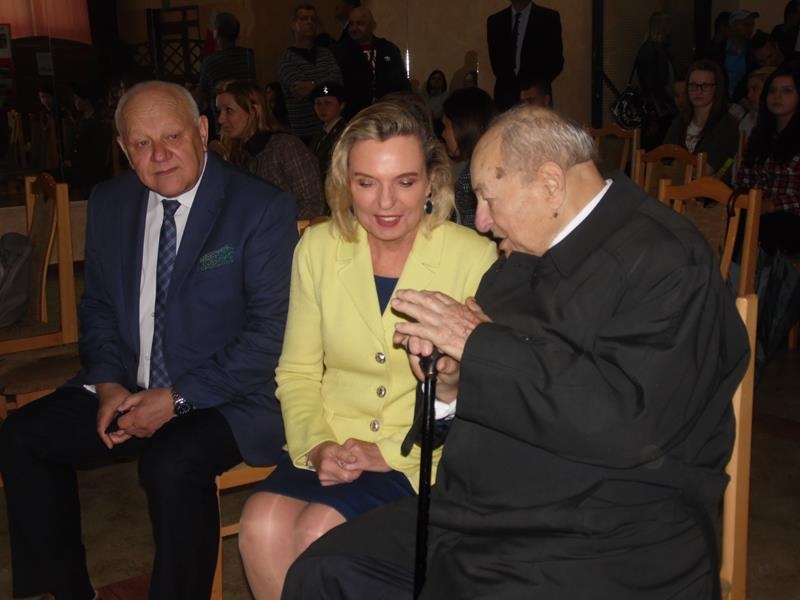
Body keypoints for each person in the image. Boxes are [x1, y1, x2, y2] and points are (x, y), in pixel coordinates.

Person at [282, 105, 751, 600]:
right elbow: (498, 387)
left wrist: (478, 344)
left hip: (603, 529)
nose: (482, 221)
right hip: (483, 510)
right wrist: (449, 386)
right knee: (324, 570)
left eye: (488, 197)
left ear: (550, 184)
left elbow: (631, 426)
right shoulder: (520, 258)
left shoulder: (666, 262)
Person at [0, 81, 297, 600]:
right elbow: (97, 306)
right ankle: (66, 591)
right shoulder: (112, 202)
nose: (159, 155)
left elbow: (269, 336)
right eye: (141, 143)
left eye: (173, 136)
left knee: (170, 463)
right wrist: (108, 384)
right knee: (23, 436)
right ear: (123, 148)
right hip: (129, 384)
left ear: (202, 131)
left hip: (228, 396)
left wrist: (176, 399)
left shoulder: (259, 207)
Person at [236, 99, 498, 600]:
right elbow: (296, 372)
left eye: (405, 181)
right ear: (344, 183)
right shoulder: (317, 249)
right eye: (366, 182)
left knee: (320, 531)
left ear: (431, 182)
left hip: (422, 457)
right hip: (330, 440)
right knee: (260, 523)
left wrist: (390, 452)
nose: (386, 203)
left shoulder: (473, 258)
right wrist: (317, 445)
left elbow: (482, 392)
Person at [216, 79, 326, 219]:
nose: (220, 119)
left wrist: (274, 227)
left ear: (254, 110)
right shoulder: (235, 155)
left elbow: (314, 205)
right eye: (219, 111)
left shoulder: (286, 147)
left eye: (229, 110)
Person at [735, 62, 800, 255]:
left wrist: (771, 205)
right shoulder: (760, 133)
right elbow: (744, 179)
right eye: (772, 91)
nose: (777, 97)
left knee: (766, 225)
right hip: (758, 209)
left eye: (786, 91)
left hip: (790, 215)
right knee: (725, 214)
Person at [664, 59, 740, 182]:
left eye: (705, 86)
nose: (698, 91)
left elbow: (704, 171)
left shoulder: (728, 125)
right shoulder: (679, 121)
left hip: (710, 191)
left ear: (717, 89)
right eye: (693, 86)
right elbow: (664, 159)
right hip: (674, 186)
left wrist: (677, 166)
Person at [278, 4, 343, 142]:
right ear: (294, 25)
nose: (309, 22)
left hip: (332, 129)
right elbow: (301, 90)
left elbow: (337, 82)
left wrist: (313, 84)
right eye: (304, 18)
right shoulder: (287, 59)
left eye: (313, 19)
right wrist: (325, 84)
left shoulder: (326, 54)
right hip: (305, 134)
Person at [333, 6, 410, 119]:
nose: (354, 28)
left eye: (360, 23)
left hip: (387, 114)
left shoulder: (388, 49)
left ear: (372, 26)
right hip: (354, 117)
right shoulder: (340, 53)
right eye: (351, 24)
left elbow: (402, 85)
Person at [486, 0, 564, 111]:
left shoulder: (548, 18)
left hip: (536, 98)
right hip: (505, 97)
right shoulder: (495, 21)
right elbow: (496, 63)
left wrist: (535, 86)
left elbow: (556, 61)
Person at [441, 87, 497, 229]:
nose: (443, 134)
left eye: (446, 126)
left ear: (462, 128)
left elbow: (473, 231)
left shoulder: (471, 179)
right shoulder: (493, 165)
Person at [199, 12, 256, 135]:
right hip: (249, 119)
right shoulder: (248, 55)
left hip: (225, 126)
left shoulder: (210, 62)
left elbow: (203, 94)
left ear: (216, 33)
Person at [633, 11, 677, 149]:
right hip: (657, 108)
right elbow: (651, 85)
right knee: (654, 146)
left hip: (660, 107)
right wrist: (654, 112)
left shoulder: (657, 48)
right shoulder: (652, 50)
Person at [309, 81, 348, 183]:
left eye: (328, 103)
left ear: (341, 105)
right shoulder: (320, 132)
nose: (322, 108)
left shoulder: (345, 133)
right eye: (318, 103)